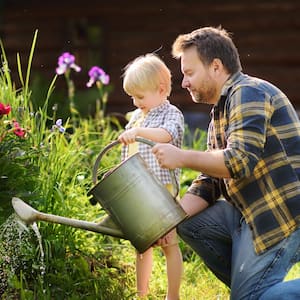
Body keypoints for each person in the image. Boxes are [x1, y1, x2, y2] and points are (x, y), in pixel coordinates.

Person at [152, 26, 300, 300]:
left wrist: (182, 157)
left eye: (189, 72)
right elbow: (210, 183)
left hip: (281, 214)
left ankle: (255, 292)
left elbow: (238, 162)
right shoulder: (220, 112)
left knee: (251, 297)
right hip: (249, 212)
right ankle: (255, 288)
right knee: (187, 222)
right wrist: (167, 222)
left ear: (216, 66)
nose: (184, 82)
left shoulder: (249, 92)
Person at [118, 53, 184, 300]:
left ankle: (173, 295)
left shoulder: (171, 114)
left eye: (140, 96)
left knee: (169, 245)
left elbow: (167, 134)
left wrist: (137, 132)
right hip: (138, 192)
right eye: (132, 97)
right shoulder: (137, 117)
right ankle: (141, 293)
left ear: (162, 89)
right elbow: (129, 152)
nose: (136, 102)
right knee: (141, 246)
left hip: (161, 191)